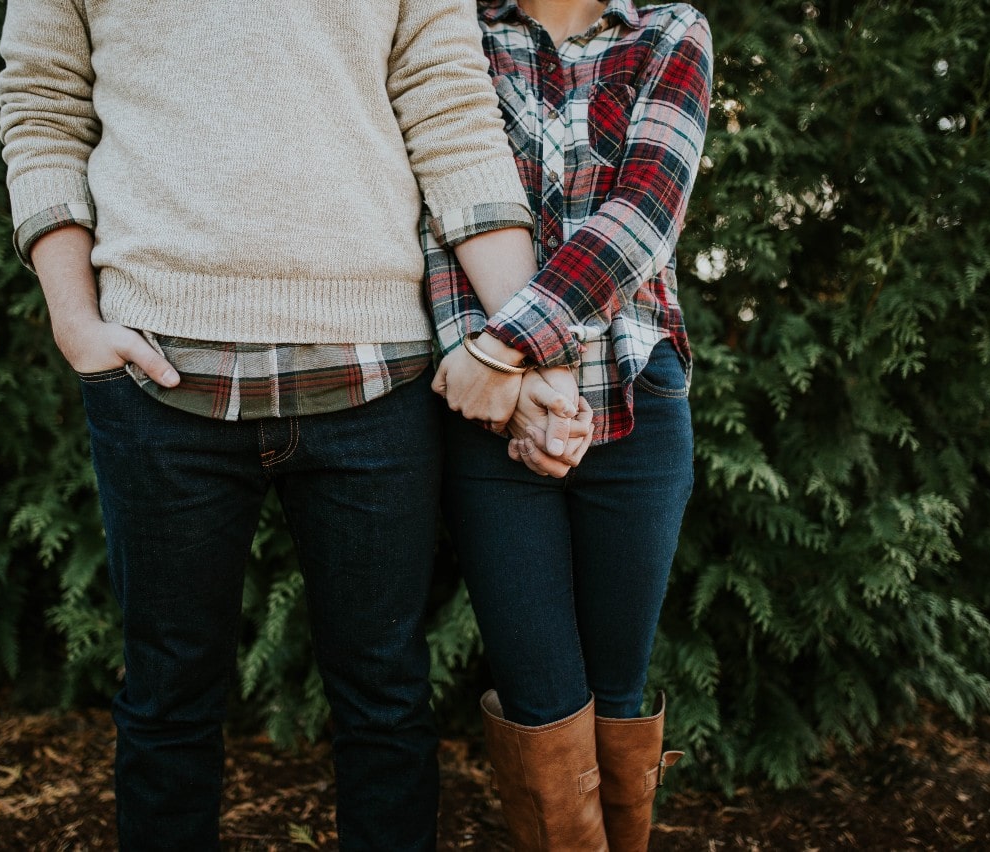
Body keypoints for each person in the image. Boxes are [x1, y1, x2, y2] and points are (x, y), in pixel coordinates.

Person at [0, 1, 552, 849]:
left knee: (386, 703)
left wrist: (527, 341)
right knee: (166, 700)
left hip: (376, 379)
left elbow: (452, 116)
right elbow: (41, 106)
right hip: (158, 378)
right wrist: (75, 320)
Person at [424, 0, 713, 848]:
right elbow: (438, 210)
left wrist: (509, 350)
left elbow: (645, 213)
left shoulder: (667, 30)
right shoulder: (455, 30)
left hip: (634, 396)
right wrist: (502, 381)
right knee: (541, 706)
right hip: (490, 412)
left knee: (618, 699)